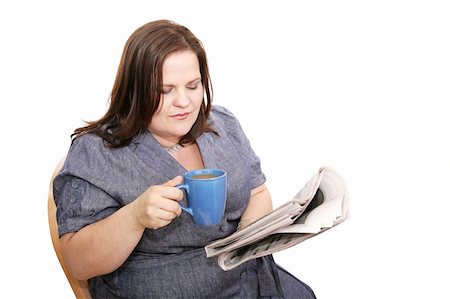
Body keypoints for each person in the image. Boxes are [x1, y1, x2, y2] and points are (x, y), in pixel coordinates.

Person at [53, 19, 316, 298]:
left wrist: (248, 237)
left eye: (193, 86)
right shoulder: (96, 153)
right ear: (134, 90)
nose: (184, 102)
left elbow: (258, 191)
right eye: (165, 91)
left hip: (247, 282)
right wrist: (134, 217)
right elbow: (78, 263)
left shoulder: (222, 125)